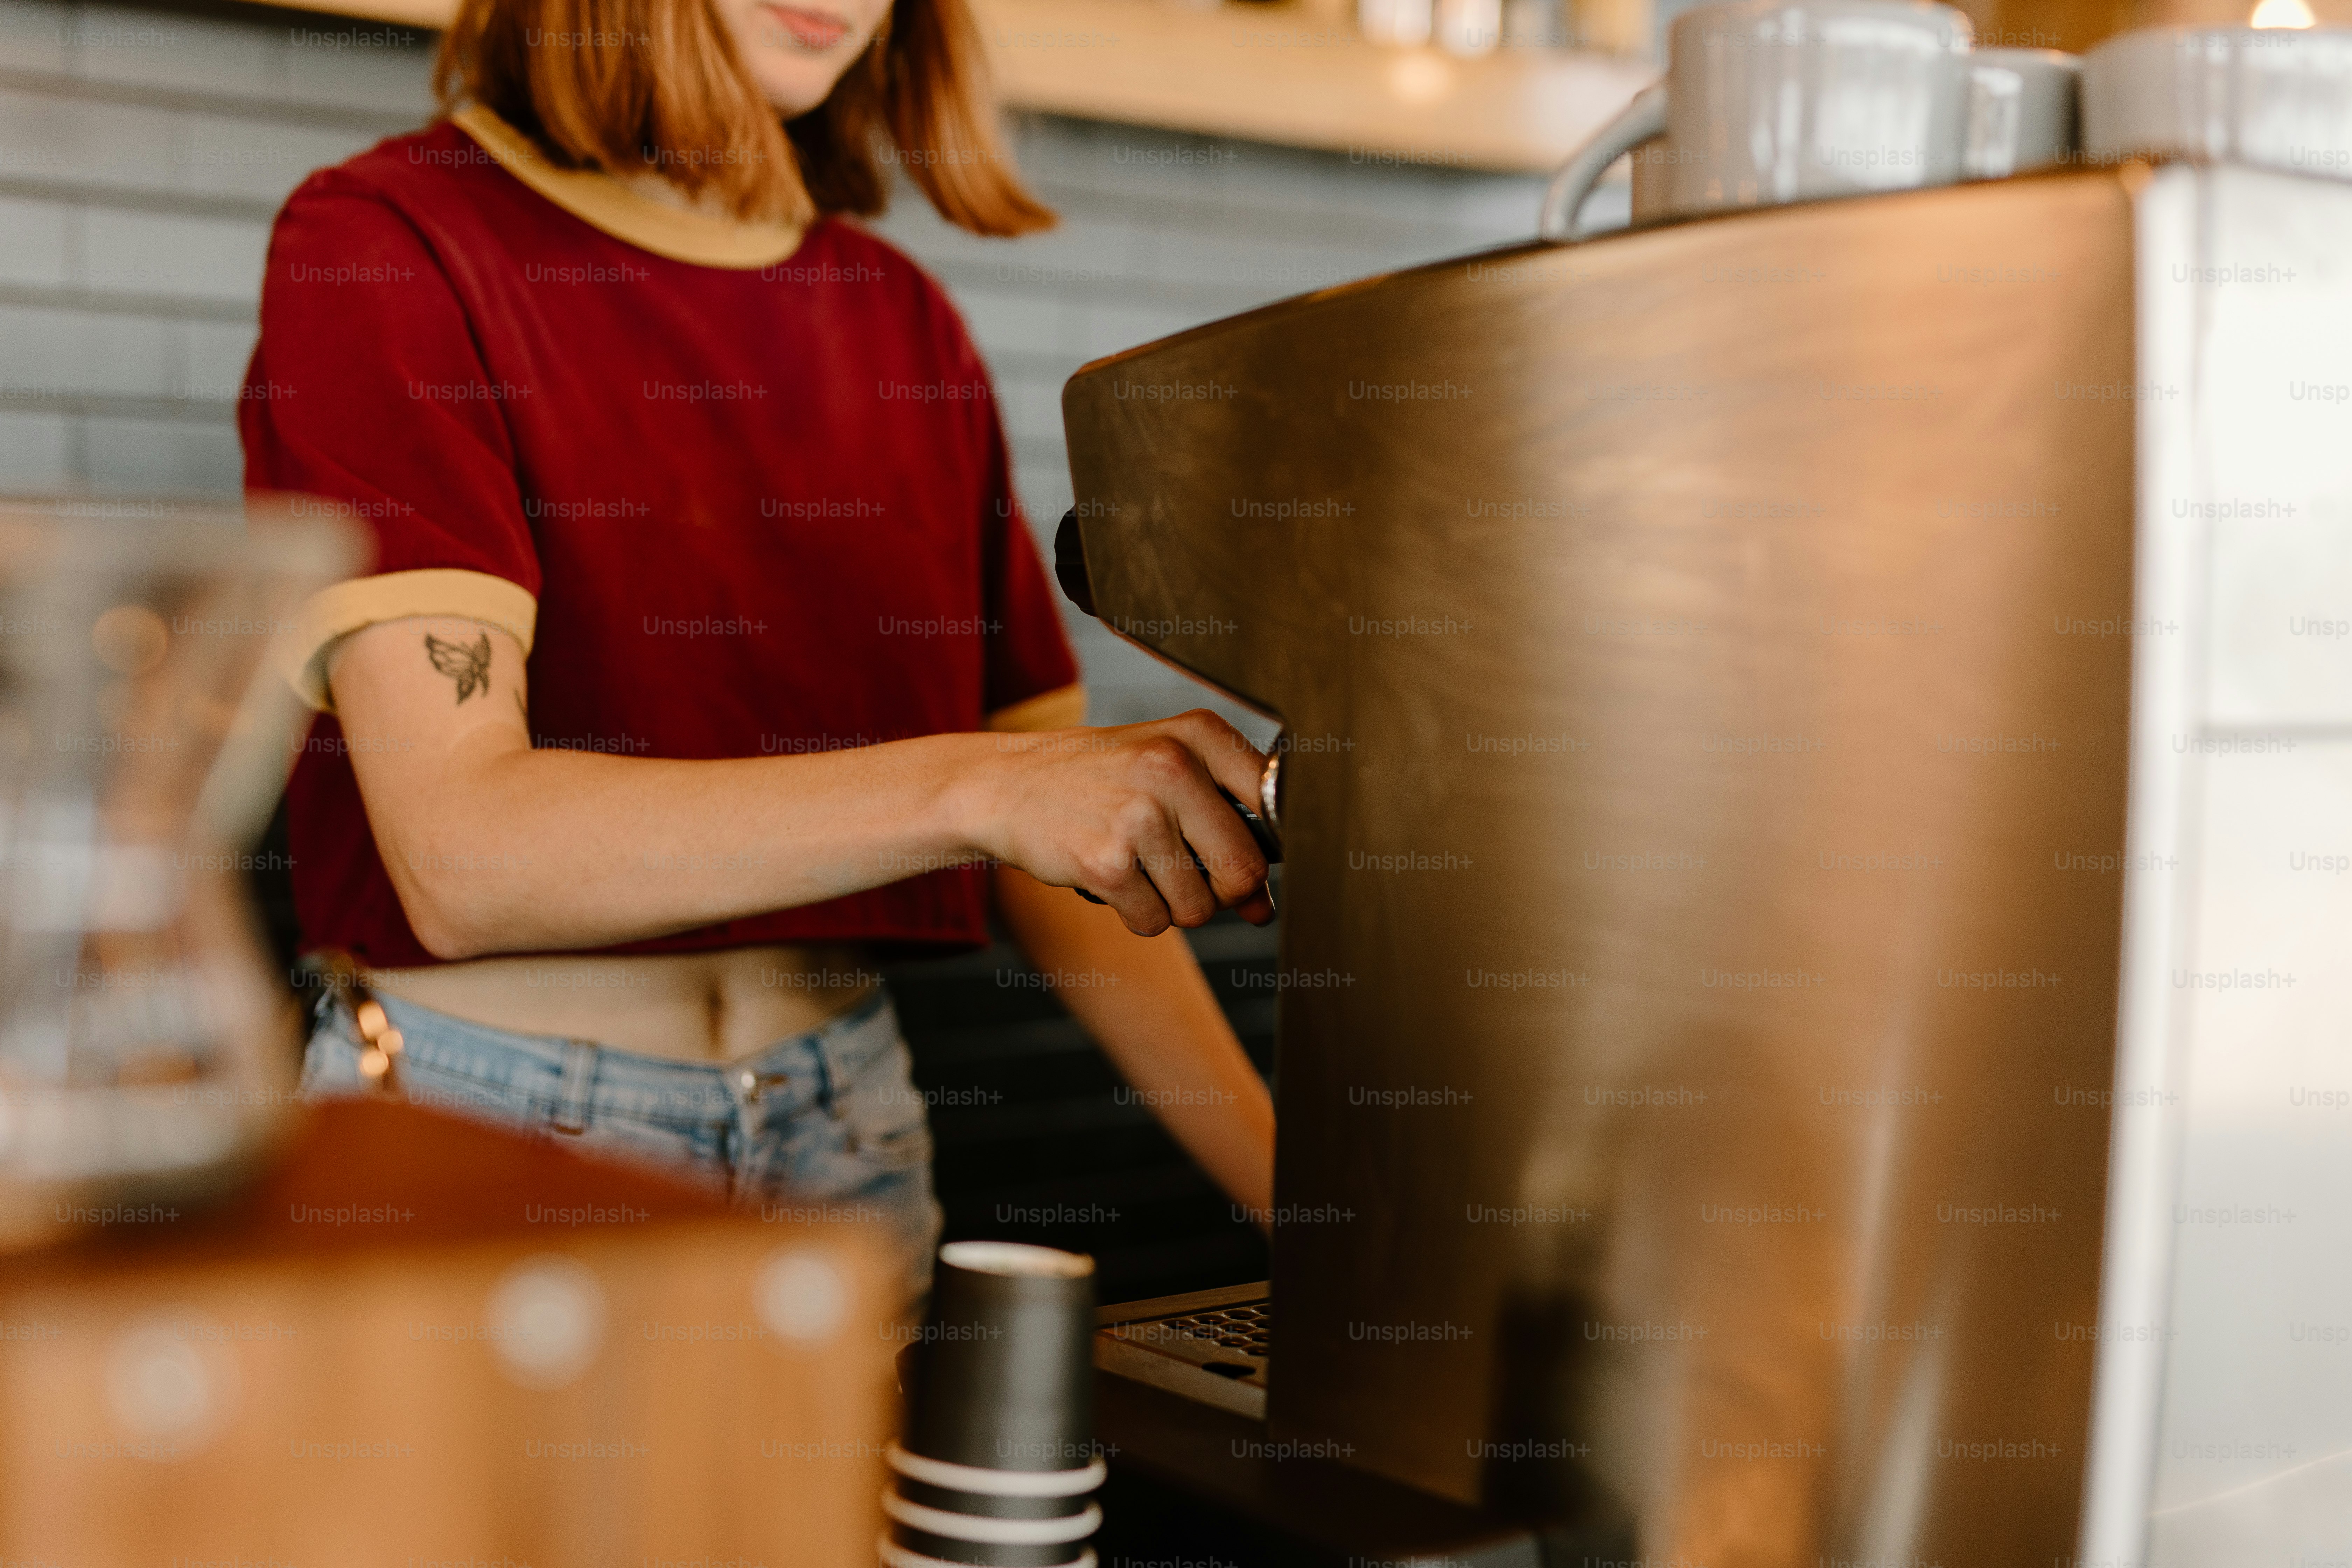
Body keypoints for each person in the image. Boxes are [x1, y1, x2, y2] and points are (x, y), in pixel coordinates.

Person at [240, 0, 1275, 1299]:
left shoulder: (901, 320)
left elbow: (1074, 862)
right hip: (484, 1134)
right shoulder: (386, 239)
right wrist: (983, 789)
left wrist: (1316, 1213)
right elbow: (460, 855)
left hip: (849, 1139)